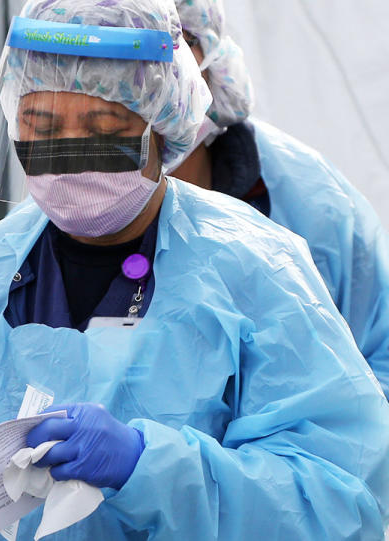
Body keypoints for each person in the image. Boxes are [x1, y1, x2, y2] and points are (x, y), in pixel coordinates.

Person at [0, 1, 389, 539]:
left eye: (104, 131)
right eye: (42, 128)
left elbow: (340, 501)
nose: (70, 157)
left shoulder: (257, 271)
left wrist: (146, 466)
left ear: (164, 123)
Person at [170, 0, 389, 395]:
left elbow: (379, 353)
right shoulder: (66, 206)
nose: (151, 78)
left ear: (210, 55)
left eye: (172, 43)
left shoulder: (307, 199)